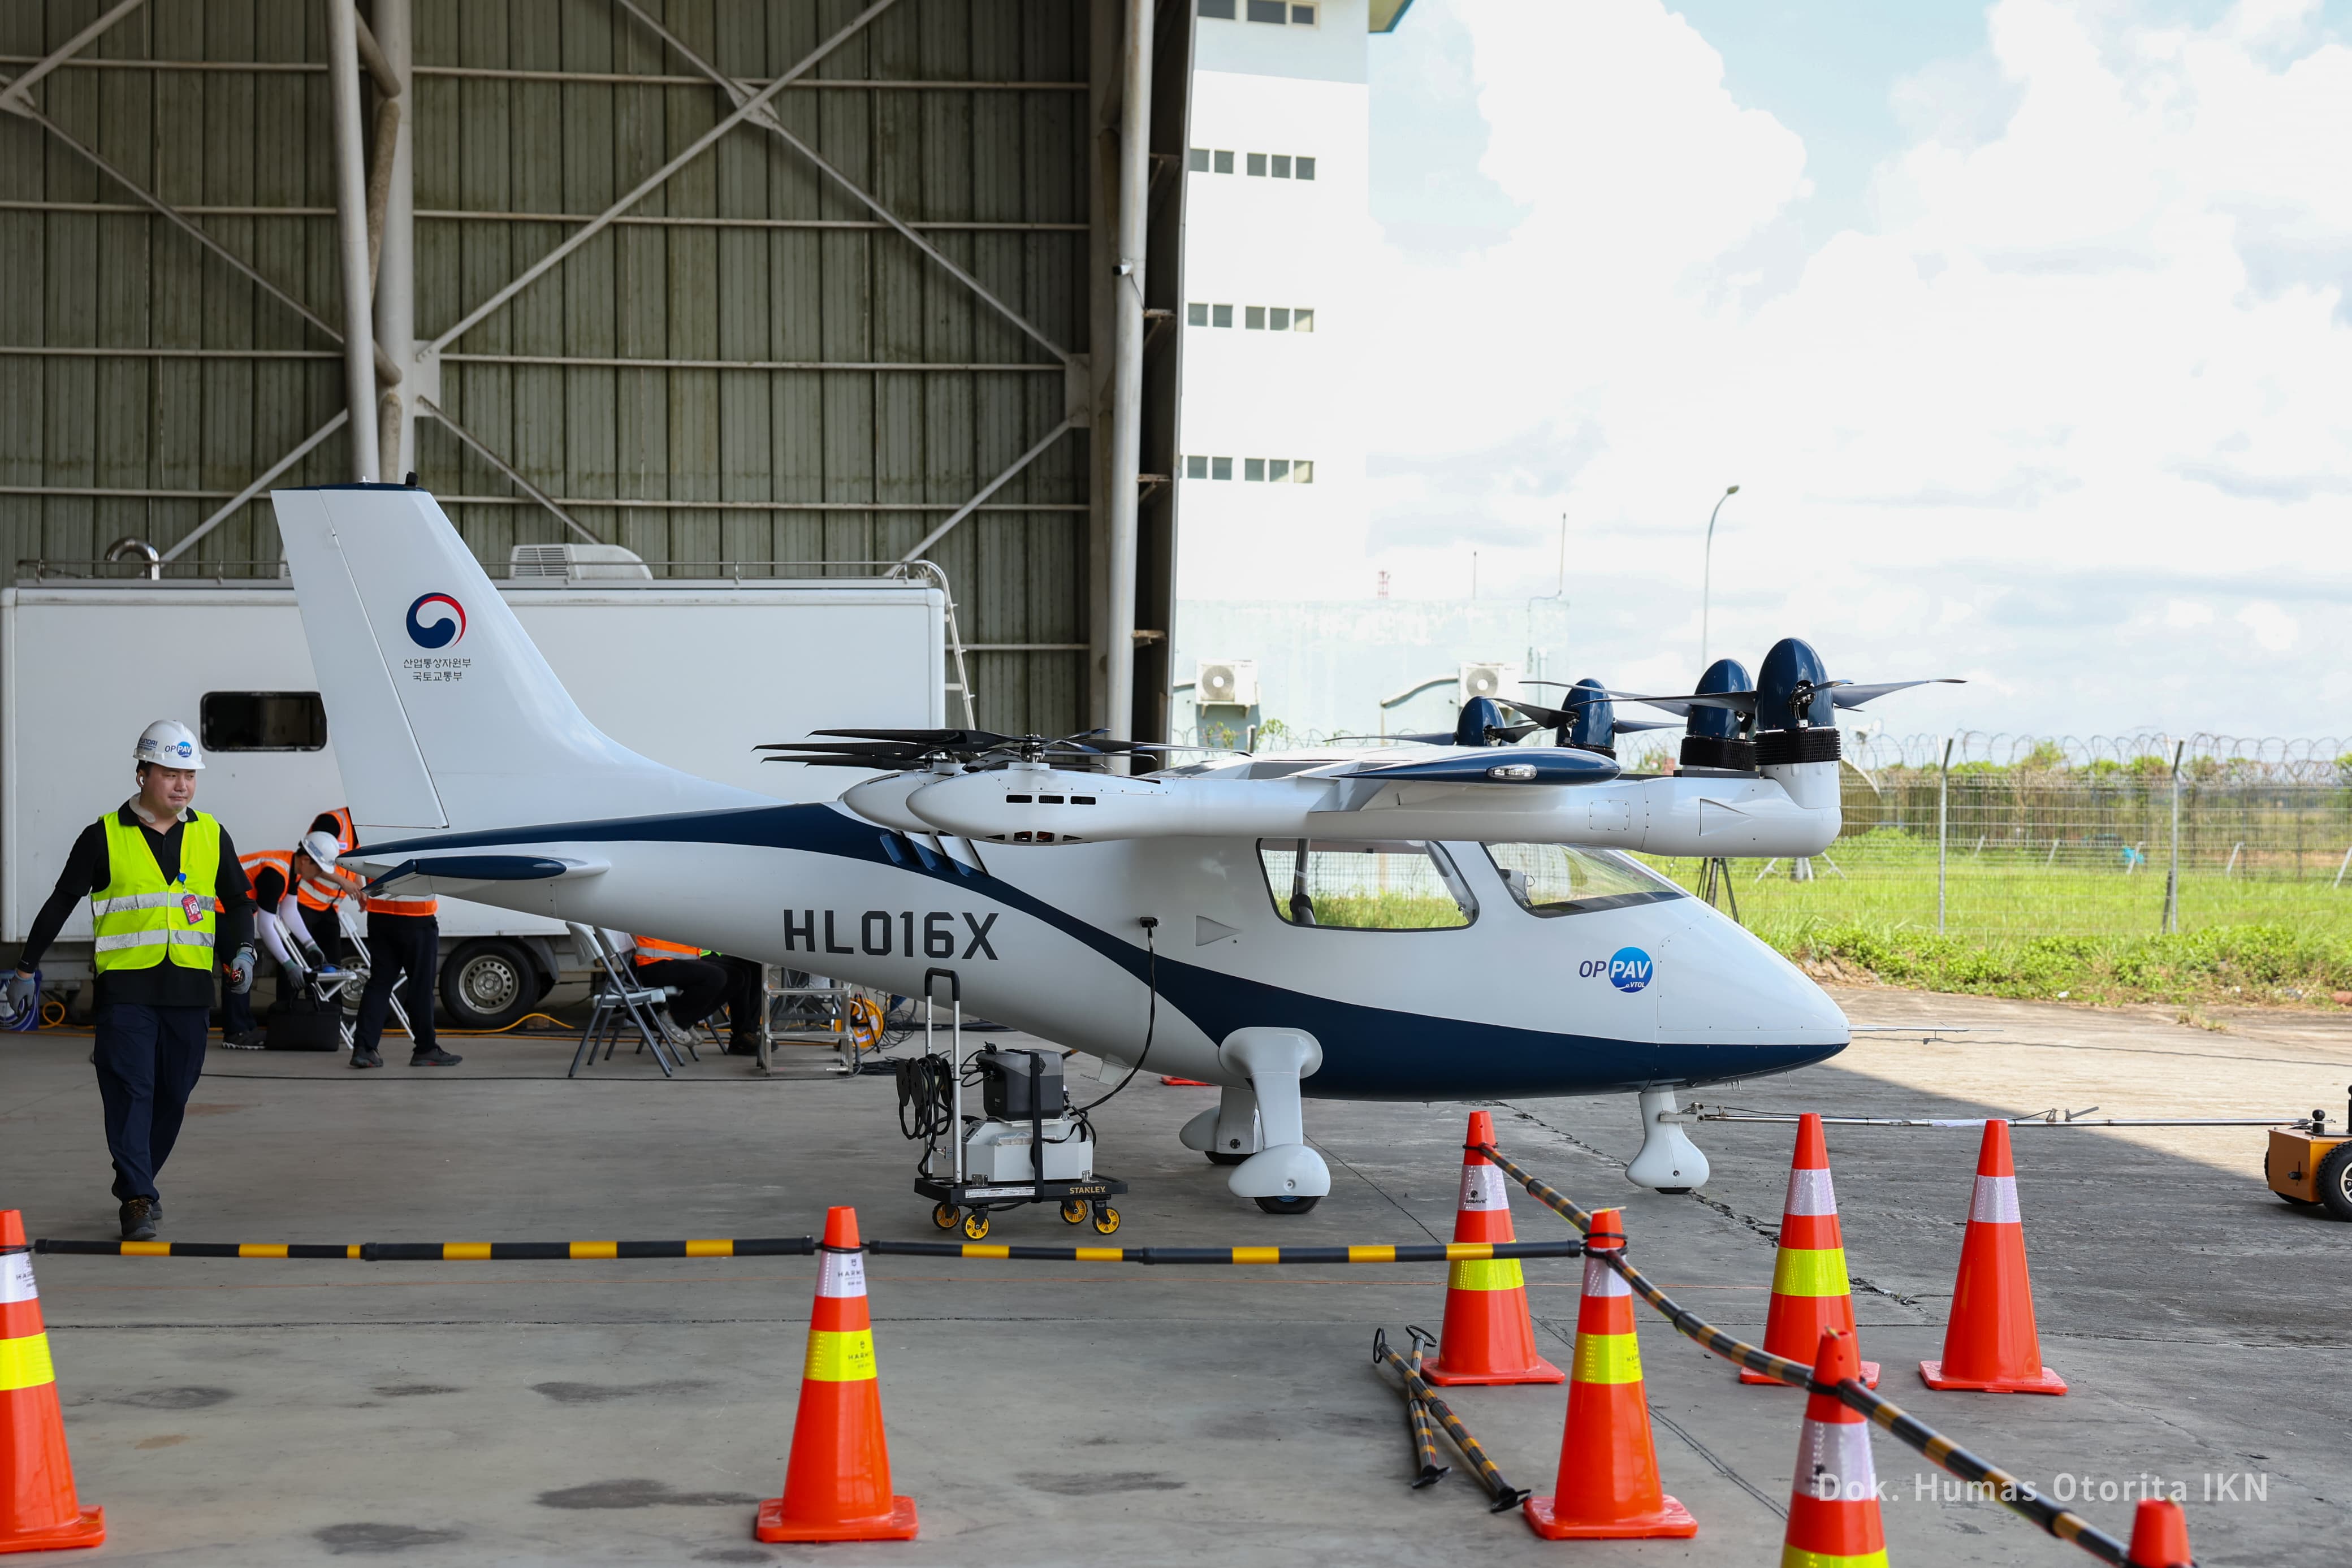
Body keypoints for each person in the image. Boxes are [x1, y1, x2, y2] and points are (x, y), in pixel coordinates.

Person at [7, 721, 254, 1240]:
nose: (182, 785)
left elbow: (236, 901)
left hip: (189, 992)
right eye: (170, 773)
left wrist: (245, 951)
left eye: (189, 774)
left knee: (173, 1096)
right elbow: (61, 901)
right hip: (126, 995)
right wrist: (27, 967)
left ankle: (133, 1180)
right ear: (142, 773)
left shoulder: (211, 833)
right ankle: (139, 1199)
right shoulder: (102, 835)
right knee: (130, 1090)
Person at [319, 805, 460, 1069]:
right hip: (417, 917)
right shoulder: (424, 821)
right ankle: (426, 1049)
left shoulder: (373, 824)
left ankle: (364, 1049)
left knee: (380, 983)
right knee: (420, 988)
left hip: (381, 915)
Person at [630, 935, 763, 1056]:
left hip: (678, 960)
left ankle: (685, 1019)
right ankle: (674, 1018)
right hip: (654, 964)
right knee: (717, 977)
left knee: (736, 976)